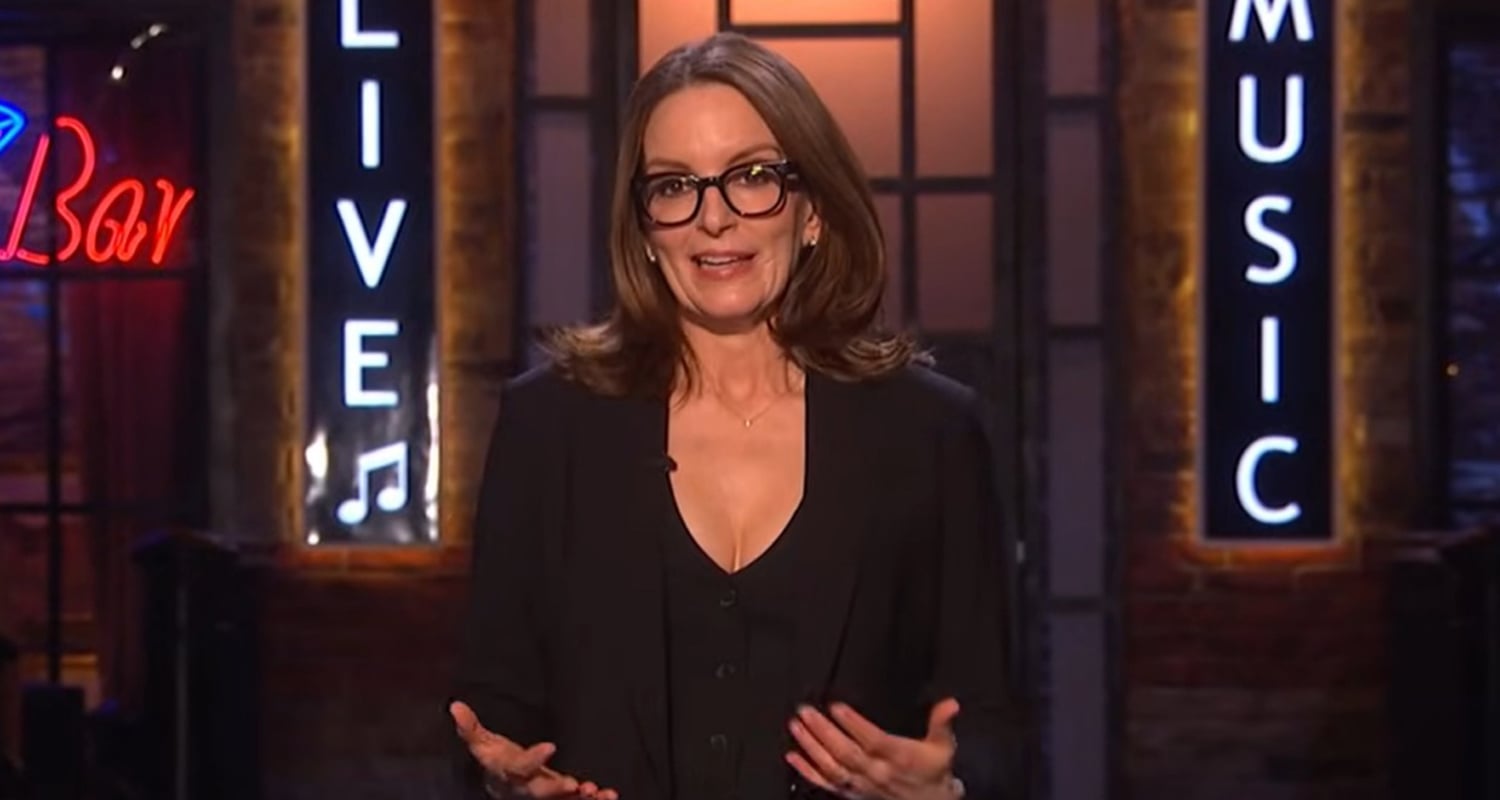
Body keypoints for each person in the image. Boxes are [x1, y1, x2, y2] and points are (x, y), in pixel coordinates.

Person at [448, 31, 1022, 800]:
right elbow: (490, 720)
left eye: (753, 177)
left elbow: (990, 737)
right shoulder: (549, 429)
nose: (712, 218)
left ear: (813, 211)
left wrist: (944, 791)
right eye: (674, 186)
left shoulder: (929, 435)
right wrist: (507, 785)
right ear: (644, 229)